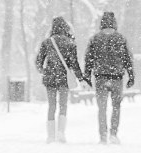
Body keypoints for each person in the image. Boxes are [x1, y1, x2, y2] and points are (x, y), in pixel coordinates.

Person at [84, 11, 135, 144]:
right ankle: (113, 133)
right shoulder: (120, 38)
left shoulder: (95, 39)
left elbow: (88, 59)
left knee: (102, 108)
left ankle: (102, 135)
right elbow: (127, 59)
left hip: (100, 77)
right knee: (116, 107)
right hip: (116, 77)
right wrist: (131, 75)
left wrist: (87, 76)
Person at [34, 16, 85, 143]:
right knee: (63, 105)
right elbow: (74, 64)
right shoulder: (70, 43)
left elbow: (38, 61)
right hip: (63, 79)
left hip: (50, 79)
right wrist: (81, 78)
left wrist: (44, 71)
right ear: (65, 28)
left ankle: (50, 136)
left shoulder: (47, 42)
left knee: (52, 105)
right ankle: (61, 133)